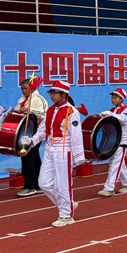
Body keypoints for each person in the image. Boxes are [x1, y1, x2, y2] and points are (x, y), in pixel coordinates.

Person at [20, 80, 84, 227]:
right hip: (49, 149)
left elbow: (76, 136)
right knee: (43, 183)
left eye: (55, 93)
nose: (52, 96)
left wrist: (78, 157)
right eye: (51, 93)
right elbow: (43, 131)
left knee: (63, 184)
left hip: (64, 150)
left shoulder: (71, 111)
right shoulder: (50, 110)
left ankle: (66, 216)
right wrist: (31, 140)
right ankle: (67, 204)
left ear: (64, 94)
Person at [97, 88, 127, 197]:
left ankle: (109, 188)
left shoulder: (126, 109)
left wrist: (110, 115)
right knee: (119, 164)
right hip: (113, 141)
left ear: (122, 99)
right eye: (112, 98)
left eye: (115, 98)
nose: (113, 100)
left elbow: (125, 120)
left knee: (114, 165)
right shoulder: (112, 110)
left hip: (122, 141)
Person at [14, 78, 48, 197]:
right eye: (22, 89)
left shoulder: (39, 100)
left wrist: (30, 111)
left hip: (36, 133)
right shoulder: (22, 100)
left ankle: (29, 186)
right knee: (34, 158)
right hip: (24, 133)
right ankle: (37, 184)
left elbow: (44, 116)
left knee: (27, 157)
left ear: (32, 88)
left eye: (26, 88)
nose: (23, 91)